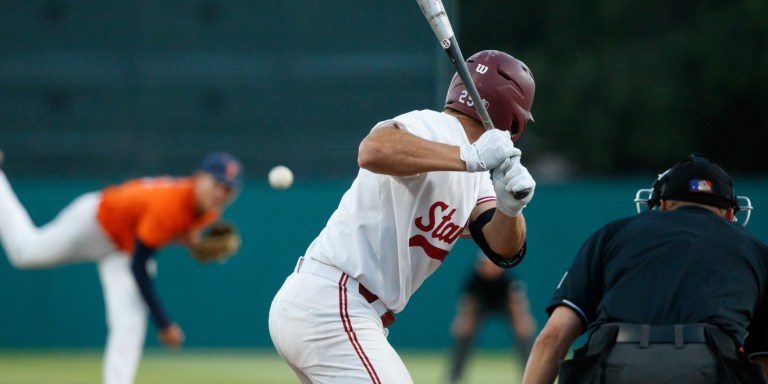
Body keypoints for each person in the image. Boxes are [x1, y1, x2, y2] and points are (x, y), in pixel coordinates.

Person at [269, 49, 537, 383]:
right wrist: (468, 156)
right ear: (515, 118)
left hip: (339, 309)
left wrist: (511, 207)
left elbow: (503, 250)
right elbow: (373, 150)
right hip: (334, 303)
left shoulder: (477, 173)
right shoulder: (433, 126)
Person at [0, 151, 243, 384]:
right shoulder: (171, 204)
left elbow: (155, 232)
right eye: (217, 183)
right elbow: (139, 267)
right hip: (95, 223)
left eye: (229, 188)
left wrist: (187, 240)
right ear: (199, 177)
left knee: (130, 322)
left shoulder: (209, 212)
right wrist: (164, 323)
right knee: (25, 252)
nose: (221, 192)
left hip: (123, 248)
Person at [522, 154, 768, 384]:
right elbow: (763, 360)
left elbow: (552, 337)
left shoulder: (612, 235)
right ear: (729, 213)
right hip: (709, 366)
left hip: (614, 363)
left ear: (661, 204)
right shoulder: (756, 251)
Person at [447, 252, 537, 383]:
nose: (488, 267)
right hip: (481, 306)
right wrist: (464, 319)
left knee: (524, 334)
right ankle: (455, 377)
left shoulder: (509, 280)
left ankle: (529, 375)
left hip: (505, 305)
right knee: (464, 333)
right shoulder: (474, 279)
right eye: (484, 264)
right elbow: (468, 303)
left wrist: (522, 320)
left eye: (492, 264)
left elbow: (517, 304)